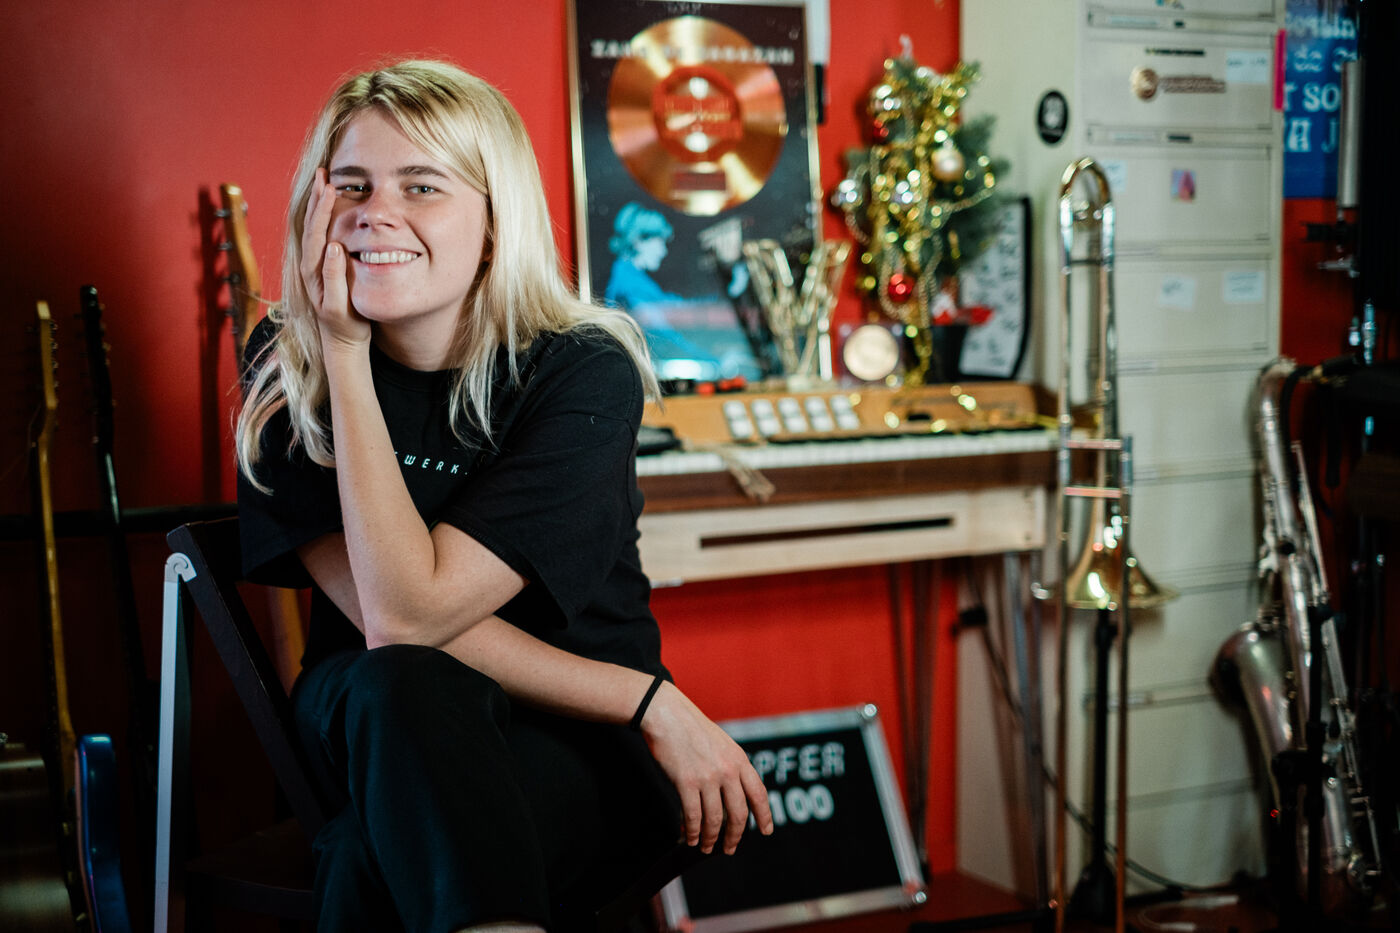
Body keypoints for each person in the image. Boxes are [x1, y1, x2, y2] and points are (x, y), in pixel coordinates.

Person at [234, 60, 773, 933]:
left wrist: (625, 705)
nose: (376, 211)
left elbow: (411, 618)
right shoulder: (289, 360)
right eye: (352, 184)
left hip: (570, 726)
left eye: (422, 185)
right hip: (381, 719)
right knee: (401, 683)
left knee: (372, 859)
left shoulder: (579, 368)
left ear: (493, 222)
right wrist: (344, 354)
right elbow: (398, 618)